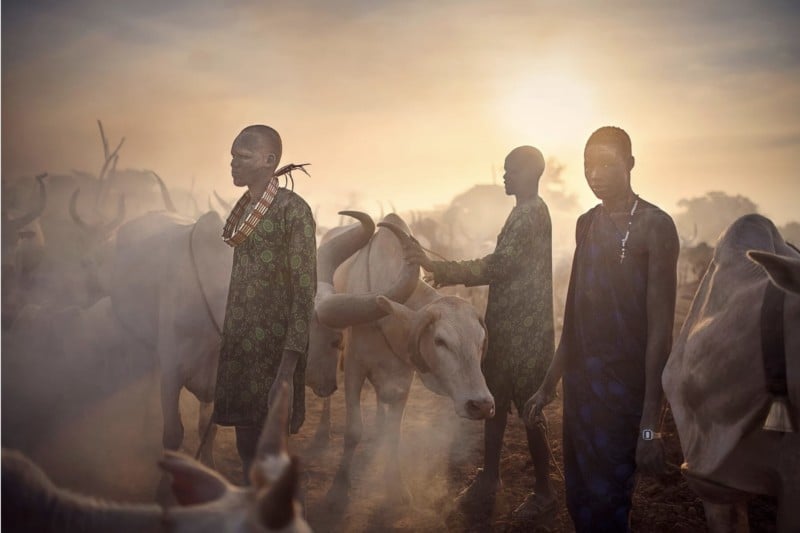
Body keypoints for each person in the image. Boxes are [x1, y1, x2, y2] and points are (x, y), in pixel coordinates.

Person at [525, 126, 679, 532]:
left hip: (624, 389)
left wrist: (651, 423)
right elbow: (574, 314)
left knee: (612, 499)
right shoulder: (585, 223)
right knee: (580, 497)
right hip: (582, 389)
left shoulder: (656, 226)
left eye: (607, 163)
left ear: (630, 163)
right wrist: (547, 385)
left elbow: (660, 332)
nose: (596, 174)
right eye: (588, 165)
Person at [404, 146, 556, 520]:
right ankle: (489, 478)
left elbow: (500, 265)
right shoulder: (523, 211)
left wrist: (446, 268)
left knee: (530, 410)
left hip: (528, 333)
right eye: (504, 170)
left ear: (532, 173)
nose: (504, 176)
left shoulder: (531, 214)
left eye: (511, 170)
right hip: (503, 326)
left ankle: (545, 491)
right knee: (494, 403)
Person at [212, 124, 317, 482]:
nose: (233, 164)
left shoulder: (294, 212)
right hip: (242, 348)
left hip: (274, 355)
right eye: (232, 156)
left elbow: (304, 295)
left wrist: (286, 372)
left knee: (272, 453)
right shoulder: (245, 210)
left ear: (269, 160)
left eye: (242, 157)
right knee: (246, 447)